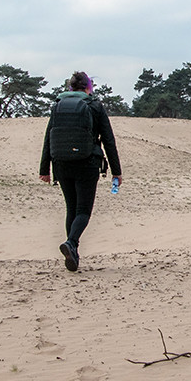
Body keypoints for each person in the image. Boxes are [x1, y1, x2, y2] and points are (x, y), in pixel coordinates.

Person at [39, 71, 122, 272]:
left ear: (70, 88)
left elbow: (48, 137)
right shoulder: (94, 106)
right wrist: (116, 171)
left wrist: (44, 168)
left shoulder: (57, 106)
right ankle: (71, 244)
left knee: (71, 209)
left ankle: (73, 254)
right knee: (83, 211)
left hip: (61, 164)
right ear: (88, 87)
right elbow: (108, 140)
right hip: (87, 163)